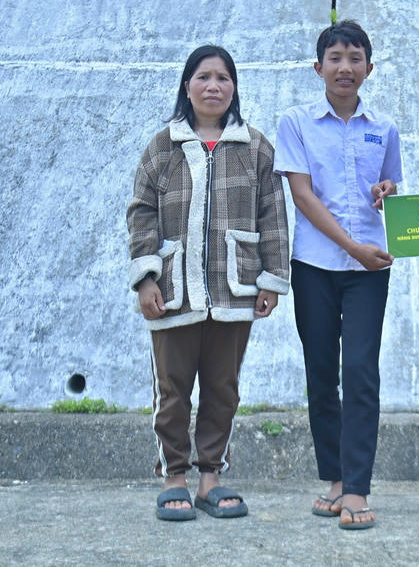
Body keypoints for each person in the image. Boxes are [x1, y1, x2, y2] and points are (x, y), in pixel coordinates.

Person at [126, 45, 290, 522]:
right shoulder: (163, 146)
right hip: (173, 290)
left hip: (234, 289)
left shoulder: (254, 147)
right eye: (203, 77)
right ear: (187, 86)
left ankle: (210, 479)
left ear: (234, 87)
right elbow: (141, 213)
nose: (213, 86)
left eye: (222, 77)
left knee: (223, 388)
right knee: (172, 388)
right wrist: (145, 277)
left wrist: (271, 280)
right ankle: (173, 476)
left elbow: (272, 215)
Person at [274, 20, 402, 531]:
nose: (345, 67)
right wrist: (351, 246)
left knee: (362, 374)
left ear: (369, 68)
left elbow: (390, 185)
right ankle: (333, 478)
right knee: (322, 373)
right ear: (318, 67)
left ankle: (357, 487)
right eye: (335, 58)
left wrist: (387, 190)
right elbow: (302, 197)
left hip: (371, 268)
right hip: (316, 266)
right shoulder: (296, 123)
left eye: (355, 58)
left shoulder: (384, 127)